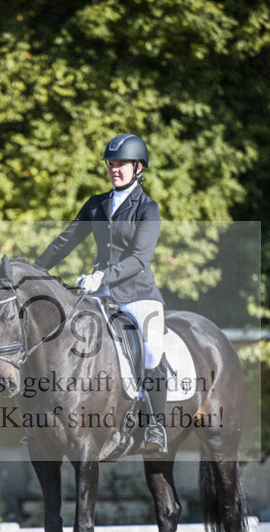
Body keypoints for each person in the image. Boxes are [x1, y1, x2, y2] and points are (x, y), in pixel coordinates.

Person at [34, 133, 168, 452]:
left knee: (151, 351)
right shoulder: (97, 204)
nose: (114, 170)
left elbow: (139, 259)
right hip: (98, 294)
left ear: (138, 168)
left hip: (138, 294)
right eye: (111, 164)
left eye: (121, 164)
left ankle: (156, 425)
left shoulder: (147, 208)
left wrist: (102, 276)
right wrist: (34, 271)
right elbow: (65, 241)